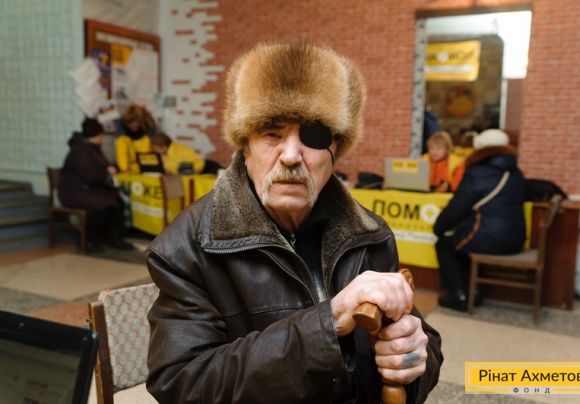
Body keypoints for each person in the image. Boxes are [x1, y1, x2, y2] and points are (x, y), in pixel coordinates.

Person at [146, 42, 442, 403]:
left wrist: (412, 359)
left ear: (335, 150)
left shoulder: (369, 235)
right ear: (246, 145)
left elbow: (417, 343)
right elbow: (181, 383)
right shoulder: (188, 246)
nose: (290, 155)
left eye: (313, 137)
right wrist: (327, 324)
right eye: (271, 132)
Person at [433, 129, 526, 311]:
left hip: (489, 239)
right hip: (516, 240)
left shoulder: (478, 173)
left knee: (445, 244)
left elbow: (457, 208)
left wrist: (438, 227)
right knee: (462, 243)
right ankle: (474, 292)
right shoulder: (516, 173)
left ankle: (459, 296)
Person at [58, 118, 134, 251]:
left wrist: (111, 169)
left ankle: (113, 239)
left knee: (117, 200)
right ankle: (89, 240)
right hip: (74, 192)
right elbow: (90, 175)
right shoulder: (79, 151)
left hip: (87, 189)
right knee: (102, 205)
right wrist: (107, 173)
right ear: (98, 134)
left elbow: (102, 167)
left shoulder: (92, 148)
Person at [114, 104, 156, 173]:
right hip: (128, 170)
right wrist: (124, 170)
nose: (134, 124)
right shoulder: (121, 136)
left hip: (146, 169)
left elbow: (150, 155)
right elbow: (122, 154)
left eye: (137, 122)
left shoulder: (149, 133)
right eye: (130, 122)